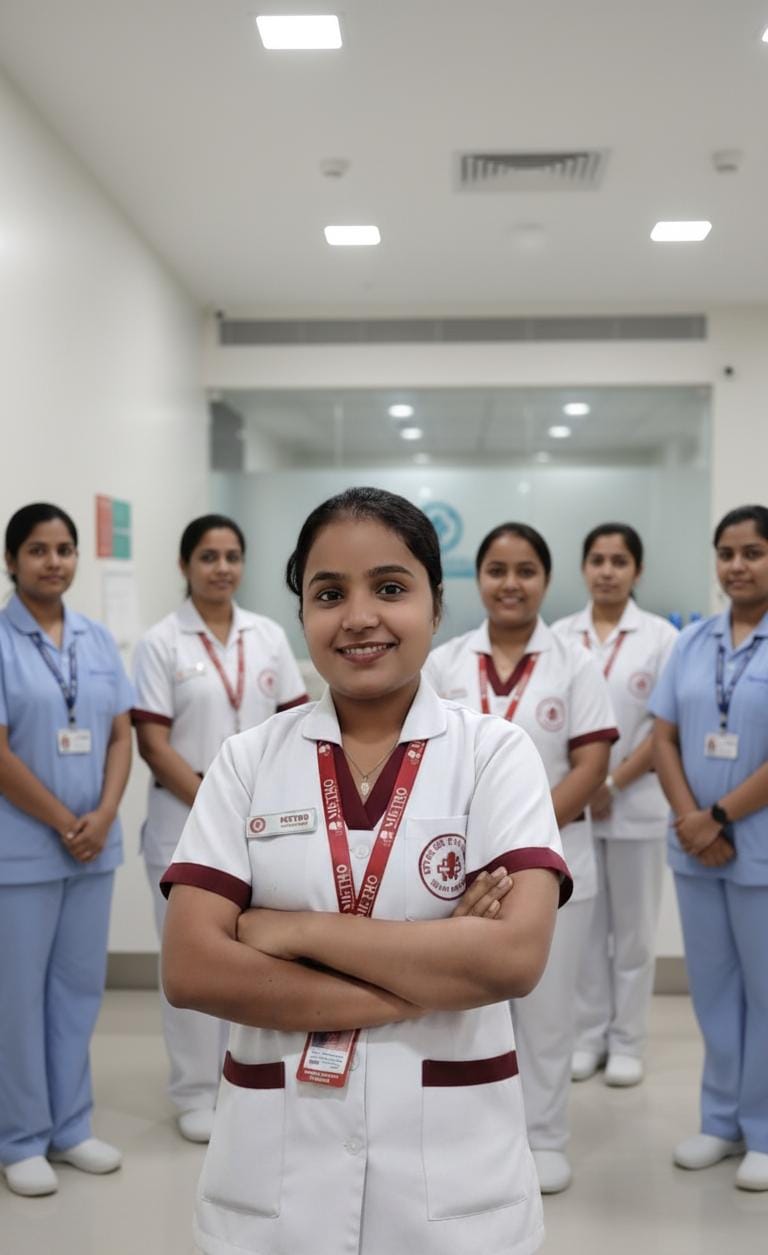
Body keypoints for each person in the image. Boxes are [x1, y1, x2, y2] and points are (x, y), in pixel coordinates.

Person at [161, 487, 572, 1255]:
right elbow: (191, 967)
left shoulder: (494, 753)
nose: (358, 616)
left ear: (436, 605)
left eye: (389, 587)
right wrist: (435, 963)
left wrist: (291, 930)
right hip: (277, 1171)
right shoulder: (247, 761)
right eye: (328, 593)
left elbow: (514, 956)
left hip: (452, 1178)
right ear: (302, 614)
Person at [424, 522, 617, 1194]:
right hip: (462, 873)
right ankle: (476, 1139)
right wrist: (480, 849)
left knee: (546, 1013)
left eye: (526, 570)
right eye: (498, 569)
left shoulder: (573, 661)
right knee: (466, 1013)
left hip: (554, 867)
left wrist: (520, 840)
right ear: (477, 579)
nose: (511, 583)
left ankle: (544, 1137)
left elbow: (592, 763)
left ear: (545, 578)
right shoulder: (445, 661)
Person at [132, 513, 307, 1143]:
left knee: (258, 957)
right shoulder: (162, 643)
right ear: (185, 566)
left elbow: (295, 727)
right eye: (208, 556)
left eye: (233, 556)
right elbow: (154, 743)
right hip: (183, 824)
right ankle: (195, 1089)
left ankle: (249, 1078)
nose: (222, 568)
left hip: (266, 826)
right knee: (192, 958)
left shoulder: (266, 636)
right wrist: (217, 801)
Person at [0, 503, 133, 1197]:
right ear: (11, 561)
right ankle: (18, 1136)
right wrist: (61, 820)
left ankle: (69, 1126)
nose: (54, 561)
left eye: (64, 548)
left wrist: (104, 813)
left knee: (78, 991)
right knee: (16, 997)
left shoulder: (98, 638)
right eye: (37, 549)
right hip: (22, 851)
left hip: (92, 848)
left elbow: (119, 734)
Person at [650, 504, 768, 1193]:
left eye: (752, 551)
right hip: (697, 851)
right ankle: (720, 1120)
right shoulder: (693, 642)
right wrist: (693, 817)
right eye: (726, 552)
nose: (737, 565)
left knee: (766, 993)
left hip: (754, 849)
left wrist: (719, 814)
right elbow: (663, 734)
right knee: (715, 992)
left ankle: (764, 1126)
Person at [552, 523, 677, 1087]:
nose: (607, 571)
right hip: (575, 808)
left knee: (632, 934)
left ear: (638, 571)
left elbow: (662, 729)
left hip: (636, 805)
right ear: (583, 568)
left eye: (619, 561)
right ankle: (586, 1036)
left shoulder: (660, 638)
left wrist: (613, 783)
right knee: (582, 930)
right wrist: (586, 786)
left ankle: (627, 1042)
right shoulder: (559, 635)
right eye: (597, 559)